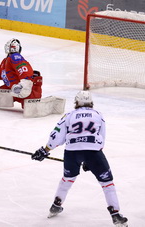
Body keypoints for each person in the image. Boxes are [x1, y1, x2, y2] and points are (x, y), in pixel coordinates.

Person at [31, 91, 128, 226]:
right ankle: (115, 214)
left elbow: (57, 135)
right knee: (107, 183)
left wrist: (45, 150)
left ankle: (56, 205)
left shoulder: (69, 115)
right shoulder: (98, 115)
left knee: (67, 180)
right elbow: (101, 137)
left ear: (76, 102)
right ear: (91, 102)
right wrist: (91, 160)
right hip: (93, 153)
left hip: (72, 153)